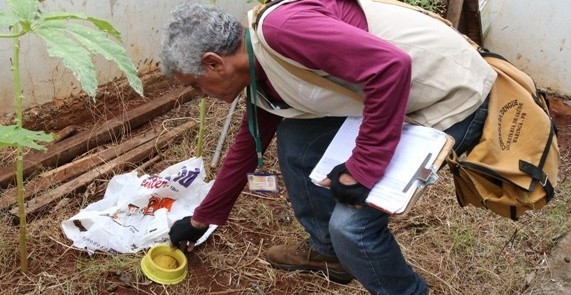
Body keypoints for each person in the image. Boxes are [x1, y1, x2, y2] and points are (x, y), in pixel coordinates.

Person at [160, 0, 496, 294]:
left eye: (195, 85)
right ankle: (329, 254)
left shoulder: (282, 31)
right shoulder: (259, 71)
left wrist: (363, 168)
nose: (201, 95)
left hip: (449, 95)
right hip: (400, 96)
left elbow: (392, 68)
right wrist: (202, 220)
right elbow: (248, 144)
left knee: (351, 228)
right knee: (295, 140)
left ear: (215, 62)